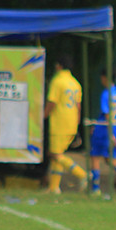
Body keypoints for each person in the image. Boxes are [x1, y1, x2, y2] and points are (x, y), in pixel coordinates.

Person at [44, 59, 87, 194]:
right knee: (59, 155)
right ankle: (54, 187)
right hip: (72, 123)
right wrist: (77, 124)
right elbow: (78, 107)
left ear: (59, 65)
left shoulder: (57, 81)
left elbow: (52, 102)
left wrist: (43, 115)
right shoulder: (75, 83)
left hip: (59, 123)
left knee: (54, 154)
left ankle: (82, 174)